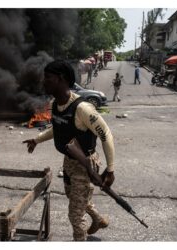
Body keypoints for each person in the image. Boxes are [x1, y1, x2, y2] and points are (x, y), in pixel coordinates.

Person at [23, 60, 115, 241]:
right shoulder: (57, 104)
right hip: (69, 162)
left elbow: (106, 134)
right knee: (73, 197)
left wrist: (110, 169)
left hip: (85, 164)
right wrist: (36, 139)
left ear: (61, 79)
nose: (44, 82)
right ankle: (98, 219)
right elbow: (58, 128)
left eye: (48, 78)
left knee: (75, 215)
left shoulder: (82, 108)